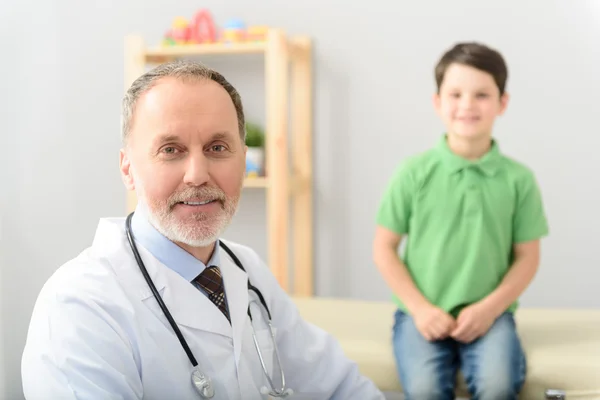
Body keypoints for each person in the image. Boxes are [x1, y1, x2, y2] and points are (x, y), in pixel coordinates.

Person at [21, 60, 385, 400]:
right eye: (171, 149)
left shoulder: (246, 269)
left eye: (217, 147)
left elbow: (342, 386)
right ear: (128, 168)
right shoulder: (80, 307)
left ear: (243, 160)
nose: (197, 174)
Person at [373, 42, 549, 400]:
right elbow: (384, 247)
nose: (467, 104)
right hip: (419, 314)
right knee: (424, 390)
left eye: (482, 94)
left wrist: (490, 309)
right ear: (438, 102)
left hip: (492, 315)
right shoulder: (413, 172)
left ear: (502, 102)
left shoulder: (519, 180)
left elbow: (528, 257)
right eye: (456, 94)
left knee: (498, 385)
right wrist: (421, 310)